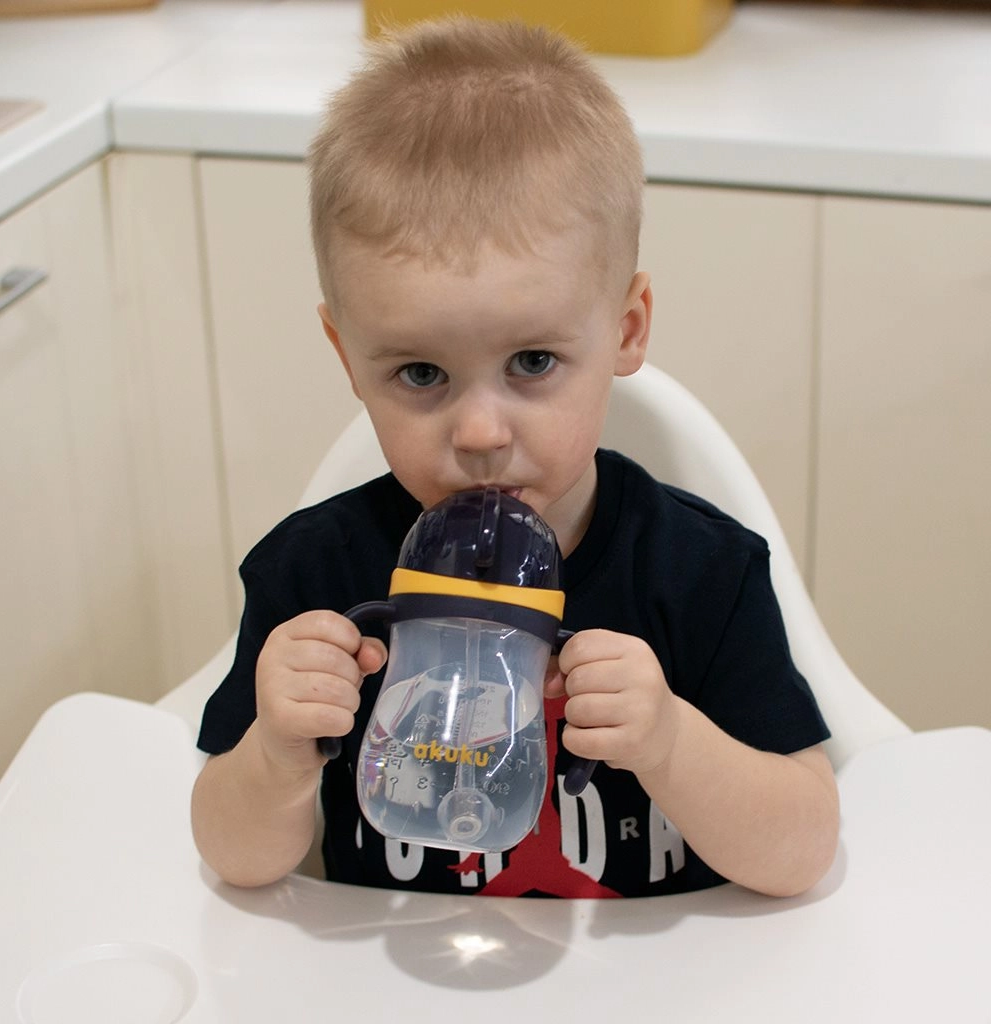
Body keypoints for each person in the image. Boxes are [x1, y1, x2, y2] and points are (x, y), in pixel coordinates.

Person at [191, 16, 839, 898]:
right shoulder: (312, 575)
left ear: (626, 329)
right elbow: (233, 858)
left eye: (532, 362)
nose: (480, 432)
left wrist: (671, 742)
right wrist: (275, 753)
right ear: (348, 357)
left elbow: (803, 853)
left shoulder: (701, 574)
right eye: (421, 373)